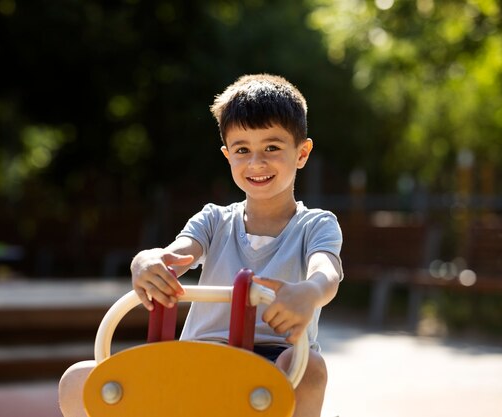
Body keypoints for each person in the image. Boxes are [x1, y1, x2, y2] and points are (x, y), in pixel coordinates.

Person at [58, 74, 343, 417]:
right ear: (227, 156)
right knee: (78, 380)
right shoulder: (213, 220)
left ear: (302, 153)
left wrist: (309, 292)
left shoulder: (315, 224)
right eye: (242, 150)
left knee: (309, 368)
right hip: (199, 358)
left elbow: (326, 271)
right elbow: (175, 256)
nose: (256, 163)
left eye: (272, 147)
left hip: (271, 365)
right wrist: (147, 262)